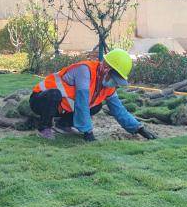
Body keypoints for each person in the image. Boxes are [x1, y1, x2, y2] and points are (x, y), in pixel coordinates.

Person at [30, 48, 158, 141]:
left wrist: (139, 128)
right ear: (106, 68)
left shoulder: (108, 85)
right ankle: (44, 128)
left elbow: (119, 110)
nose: (115, 82)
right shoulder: (84, 71)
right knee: (55, 94)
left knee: (96, 106)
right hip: (40, 99)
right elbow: (82, 103)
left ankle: (63, 125)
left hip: (61, 108)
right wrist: (88, 132)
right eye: (115, 77)